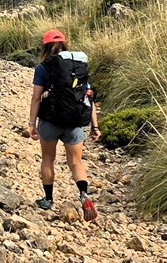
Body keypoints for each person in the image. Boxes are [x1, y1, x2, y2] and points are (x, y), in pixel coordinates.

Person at [25, 28, 99, 221]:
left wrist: (32, 123)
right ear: (65, 44)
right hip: (74, 122)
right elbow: (87, 98)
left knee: (48, 158)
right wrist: (94, 126)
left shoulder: (43, 68)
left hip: (50, 121)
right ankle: (83, 194)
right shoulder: (78, 66)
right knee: (76, 162)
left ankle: (48, 199)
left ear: (45, 46)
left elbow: (36, 98)